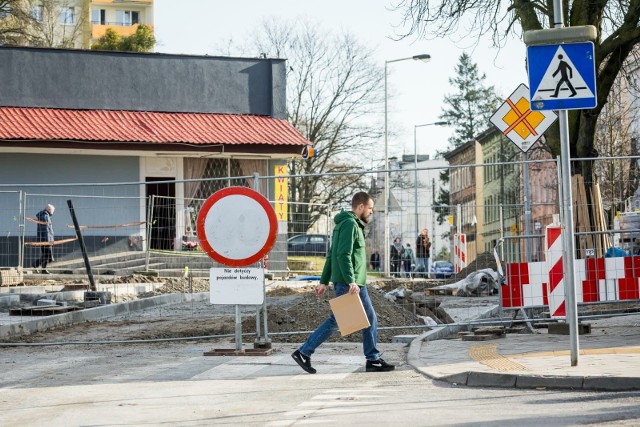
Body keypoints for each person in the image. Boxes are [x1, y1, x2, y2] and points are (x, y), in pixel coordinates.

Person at [292, 192, 395, 374]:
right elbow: (343, 255)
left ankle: (372, 359)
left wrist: (324, 281)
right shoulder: (350, 224)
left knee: (367, 319)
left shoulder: (343, 223)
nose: (371, 212)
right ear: (361, 207)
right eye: (370, 208)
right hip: (350, 284)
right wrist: (351, 281)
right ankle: (304, 352)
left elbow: (332, 254)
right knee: (340, 320)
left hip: (349, 282)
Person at [32, 204, 55, 274]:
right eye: (53, 211)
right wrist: (49, 240)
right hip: (46, 239)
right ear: (49, 210)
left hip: (43, 238)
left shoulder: (43, 215)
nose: (53, 213)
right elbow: (46, 230)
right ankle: (36, 264)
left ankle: (42, 269)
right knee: (48, 256)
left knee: (46, 255)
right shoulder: (45, 216)